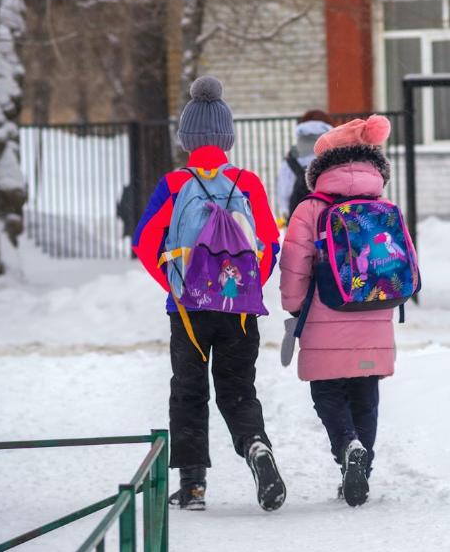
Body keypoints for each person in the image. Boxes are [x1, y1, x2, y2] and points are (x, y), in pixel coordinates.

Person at [132, 76, 285, 512]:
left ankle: (194, 485)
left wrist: (177, 286)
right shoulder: (247, 182)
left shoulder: (174, 183)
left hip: (188, 311)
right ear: (227, 138)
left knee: (188, 390)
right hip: (239, 310)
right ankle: (255, 445)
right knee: (238, 388)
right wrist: (244, 286)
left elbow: (144, 242)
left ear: (186, 139)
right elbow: (270, 243)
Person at [279, 115, 397, 507]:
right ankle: (363, 465)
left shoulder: (310, 208)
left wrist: (294, 308)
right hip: (375, 311)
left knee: (327, 391)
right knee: (366, 392)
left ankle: (348, 447)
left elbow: (295, 264)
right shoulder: (383, 205)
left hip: (325, 311)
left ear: (321, 167)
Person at [275, 110, 334, 225]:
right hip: (331, 214)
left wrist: (285, 211)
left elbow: (284, 189)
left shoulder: (293, 155)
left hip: (299, 215)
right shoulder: (335, 151)